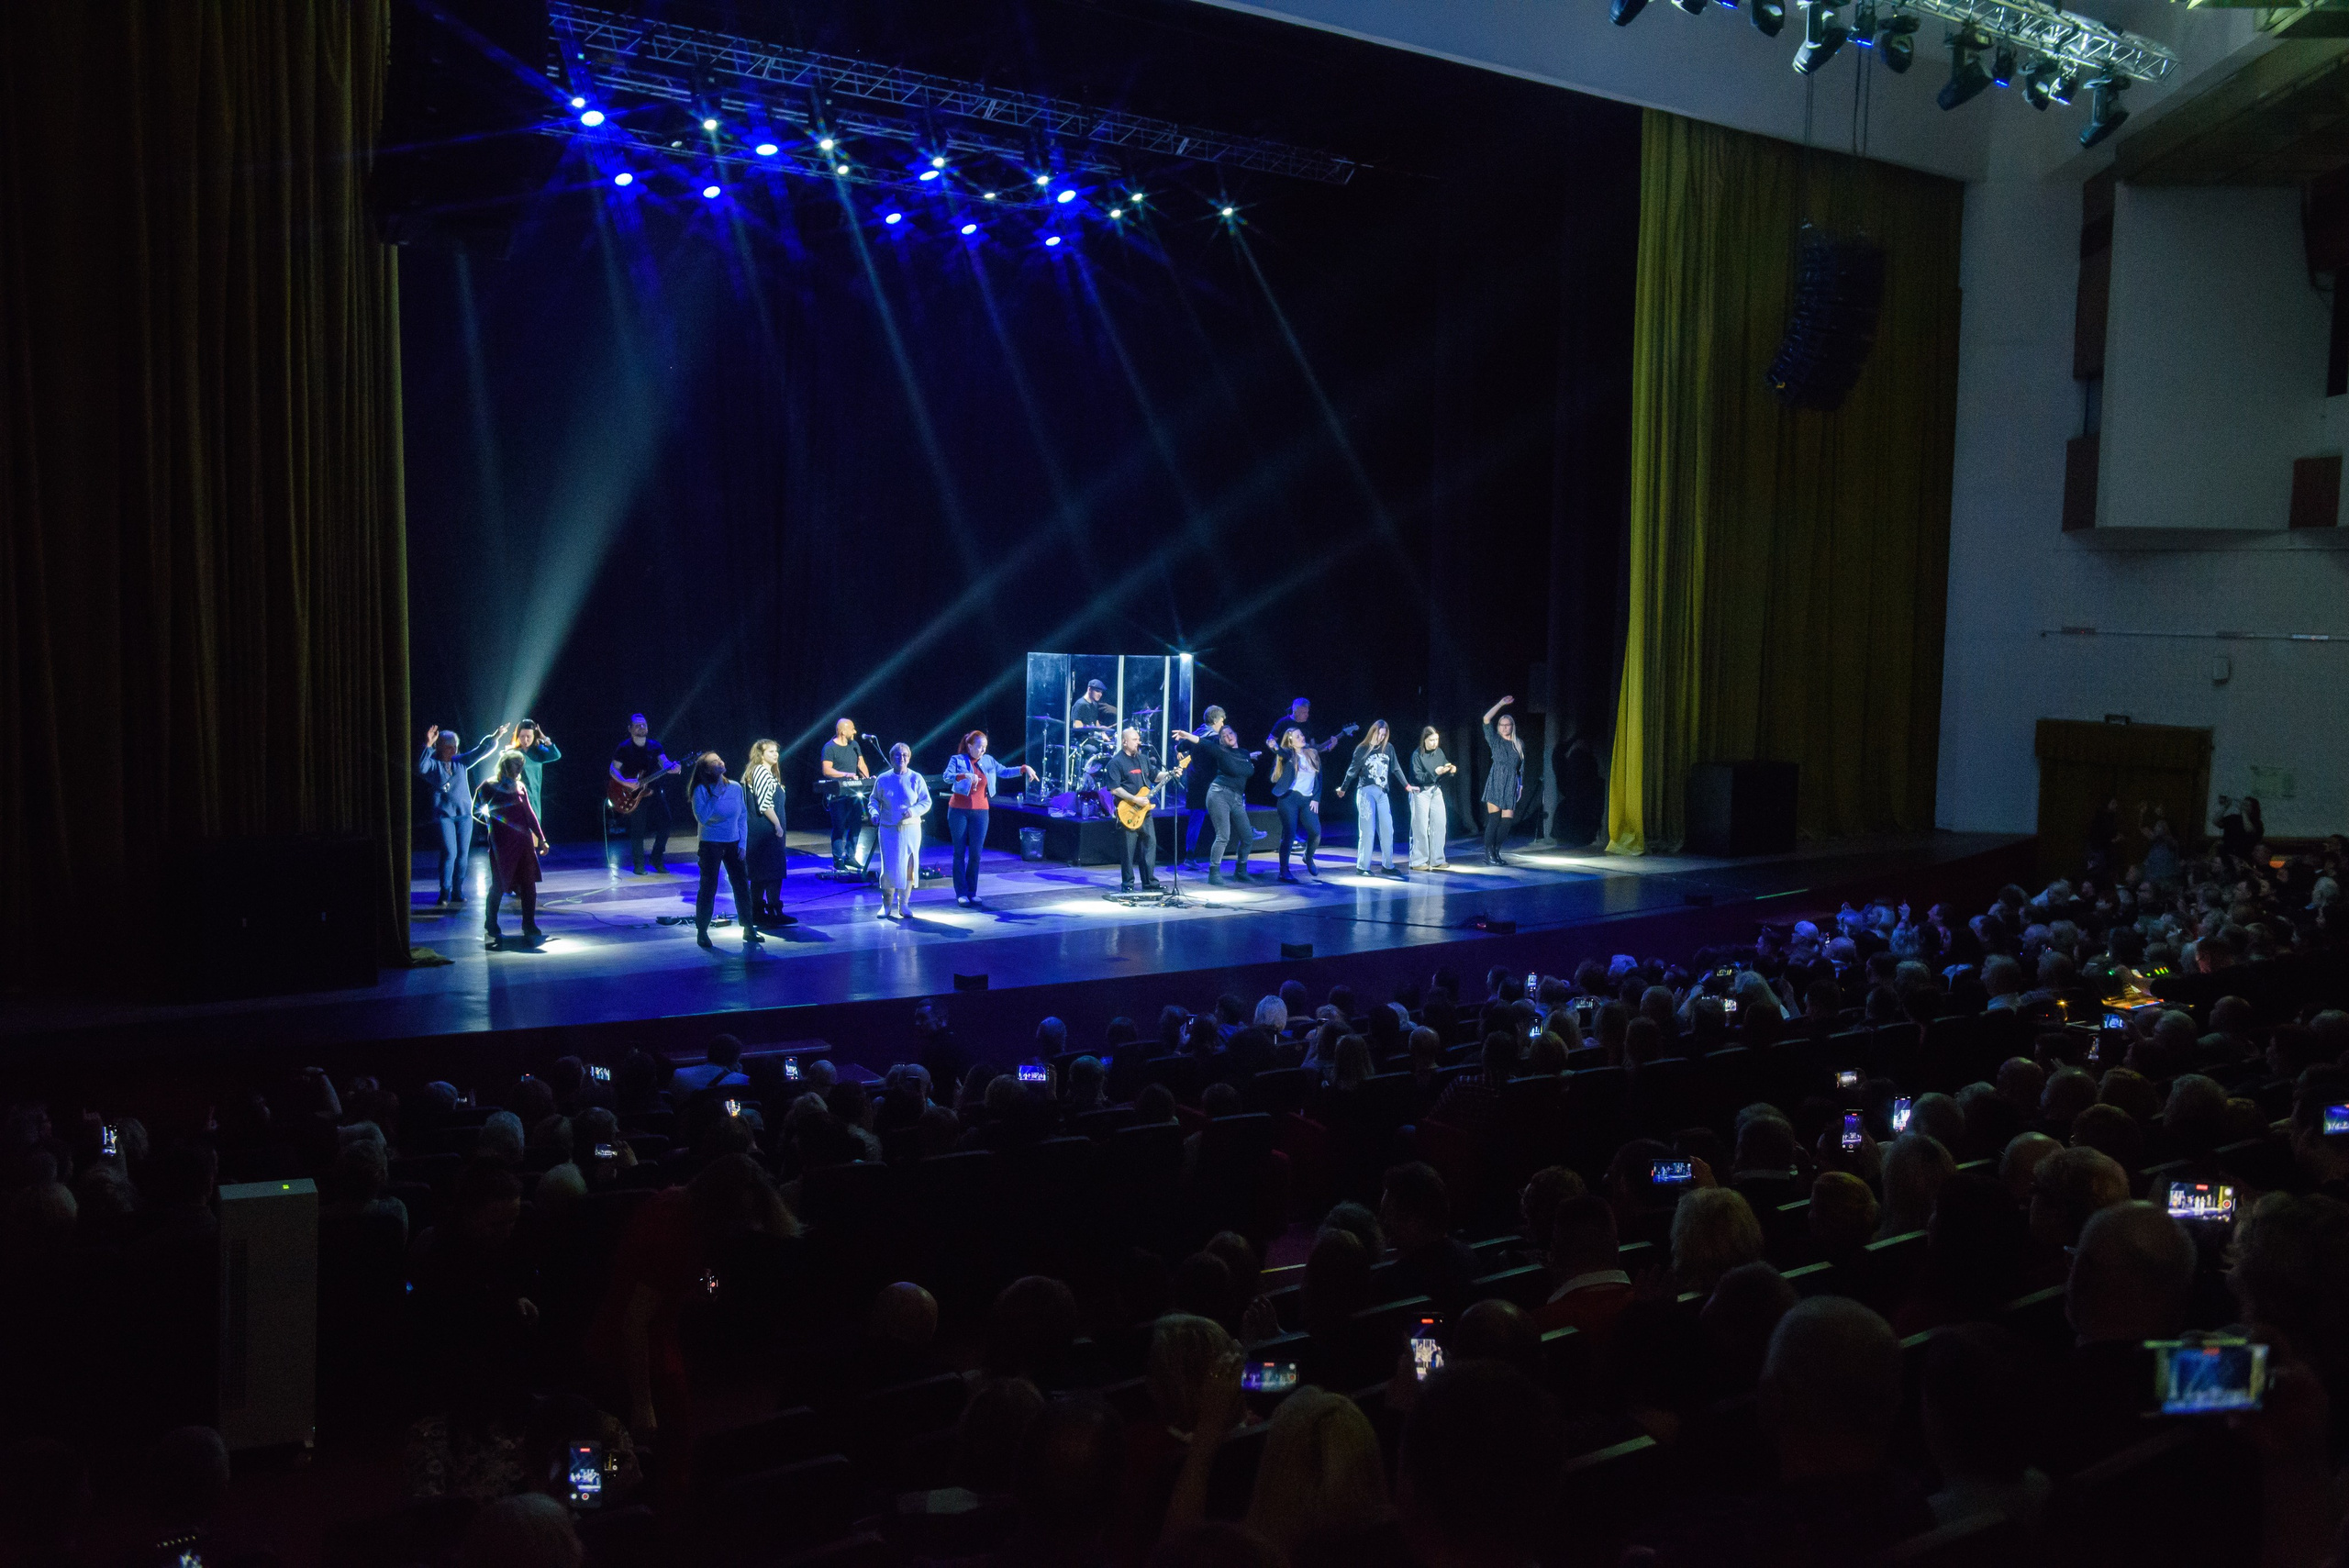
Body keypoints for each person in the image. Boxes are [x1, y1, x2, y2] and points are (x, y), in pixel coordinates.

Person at [941, 730, 1033, 907]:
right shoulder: (957, 760)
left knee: (976, 854)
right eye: (979, 747)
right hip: (958, 811)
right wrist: (963, 775)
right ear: (969, 746)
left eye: (985, 747)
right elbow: (946, 776)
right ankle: (961, 893)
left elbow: (1004, 771)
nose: (983, 750)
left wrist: (1024, 768)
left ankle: (972, 892)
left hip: (981, 812)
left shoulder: (988, 760)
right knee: (959, 852)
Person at [419, 724, 504, 906]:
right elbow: (421, 767)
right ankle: (445, 891)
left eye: (455, 746)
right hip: (445, 815)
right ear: (440, 747)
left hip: (464, 815)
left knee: (463, 854)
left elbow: (480, 751)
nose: (454, 749)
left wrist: (495, 736)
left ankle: (457, 890)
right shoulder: (433, 764)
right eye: (449, 746)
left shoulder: (460, 762)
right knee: (450, 852)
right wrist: (428, 744)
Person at [475, 751, 550, 951]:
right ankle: (491, 921)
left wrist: (541, 839)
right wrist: (492, 824)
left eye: (521, 765)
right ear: (506, 765)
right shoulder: (488, 786)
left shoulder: (520, 787)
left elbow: (529, 814)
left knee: (528, 883)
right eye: (517, 764)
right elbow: (476, 809)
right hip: (502, 844)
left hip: (523, 842)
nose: (519, 769)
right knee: (500, 883)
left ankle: (529, 924)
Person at [687, 752, 761, 951]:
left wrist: (742, 844)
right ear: (706, 770)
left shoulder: (735, 787)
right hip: (711, 844)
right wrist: (716, 795)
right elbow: (702, 817)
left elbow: (742, 816)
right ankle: (702, 931)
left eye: (720, 759)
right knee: (708, 886)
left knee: (741, 885)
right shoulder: (701, 790)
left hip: (733, 842)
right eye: (714, 762)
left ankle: (748, 927)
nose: (720, 762)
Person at [1173, 721, 1261, 886]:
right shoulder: (1221, 751)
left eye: (1230, 733)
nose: (1229, 737)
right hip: (1219, 794)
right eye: (1224, 736)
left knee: (1247, 836)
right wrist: (1187, 736)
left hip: (1236, 798)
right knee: (1223, 836)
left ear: (1236, 735)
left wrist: (1251, 757)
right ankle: (1214, 873)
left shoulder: (1244, 753)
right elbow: (1202, 742)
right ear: (1221, 740)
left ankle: (1241, 870)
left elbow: (1243, 767)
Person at [607, 715, 680, 875]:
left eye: (644, 725)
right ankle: (639, 864)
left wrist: (672, 767)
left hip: (654, 791)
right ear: (630, 729)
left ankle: (656, 858)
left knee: (666, 823)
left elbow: (664, 762)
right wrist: (626, 782)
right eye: (638, 725)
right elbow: (613, 769)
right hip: (634, 794)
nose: (642, 727)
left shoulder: (655, 746)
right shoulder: (624, 748)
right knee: (638, 830)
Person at [1335, 719, 1404, 877]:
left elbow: (1396, 768)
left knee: (1387, 829)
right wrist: (1343, 788)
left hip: (1382, 792)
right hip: (1366, 791)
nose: (1381, 737)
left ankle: (1388, 865)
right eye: (1379, 734)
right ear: (1373, 732)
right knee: (1367, 830)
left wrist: (1407, 786)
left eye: (1384, 735)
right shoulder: (1362, 748)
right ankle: (1363, 866)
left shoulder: (1388, 748)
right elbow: (1352, 771)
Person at [871, 742, 931, 919]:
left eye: (905, 755)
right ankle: (886, 905)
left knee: (909, 867)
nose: (901, 758)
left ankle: (904, 904)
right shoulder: (883, 779)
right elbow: (873, 800)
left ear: (909, 758)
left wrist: (913, 811)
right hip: (889, 829)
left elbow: (926, 802)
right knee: (889, 868)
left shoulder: (916, 778)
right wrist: (874, 813)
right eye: (898, 755)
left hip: (911, 829)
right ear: (891, 758)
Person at [1106, 728, 1167, 894]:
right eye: (1134, 739)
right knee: (1128, 850)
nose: (1138, 742)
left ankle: (1150, 883)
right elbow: (1114, 789)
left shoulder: (1143, 759)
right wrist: (1134, 799)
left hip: (1145, 811)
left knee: (1150, 844)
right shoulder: (1116, 762)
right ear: (1124, 742)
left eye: (1138, 739)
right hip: (1127, 811)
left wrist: (1170, 773)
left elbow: (1155, 776)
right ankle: (1128, 884)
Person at [742, 738, 790, 928]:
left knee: (762, 873)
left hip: (763, 832)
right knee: (770, 872)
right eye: (771, 751)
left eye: (776, 751)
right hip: (765, 832)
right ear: (761, 755)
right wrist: (777, 825)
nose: (775, 754)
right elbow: (764, 804)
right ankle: (771, 911)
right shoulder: (761, 772)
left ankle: (759, 912)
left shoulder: (763, 772)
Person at [1267, 723, 1322, 884]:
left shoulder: (1312, 753)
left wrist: (1316, 798)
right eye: (1298, 737)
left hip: (1308, 800)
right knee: (1289, 834)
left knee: (1316, 832)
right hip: (1289, 799)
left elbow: (1320, 779)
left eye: (1302, 735)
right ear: (1291, 742)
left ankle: (1308, 857)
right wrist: (1275, 746)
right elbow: (1281, 751)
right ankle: (1284, 870)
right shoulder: (1289, 755)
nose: (1302, 738)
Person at [818, 717, 871, 870]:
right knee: (839, 826)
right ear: (842, 731)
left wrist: (867, 779)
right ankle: (838, 859)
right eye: (852, 729)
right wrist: (846, 775)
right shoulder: (829, 747)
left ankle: (850, 856)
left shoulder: (854, 745)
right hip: (838, 794)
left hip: (854, 793)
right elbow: (827, 770)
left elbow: (861, 764)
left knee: (856, 824)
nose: (855, 731)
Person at [1478, 695, 1522, 866]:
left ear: (1512, 726)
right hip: (1496, 781)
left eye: (1507, 725)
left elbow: (1521, 768)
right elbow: (1486, 719)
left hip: (1511, 783)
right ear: (1498, 727)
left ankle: (1496, 851)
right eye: (1502, 725)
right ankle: (1488, 853)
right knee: (1494, 820)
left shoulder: (1518, 744)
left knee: (1507, 821)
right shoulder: (1495, 740)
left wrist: (1520, 786)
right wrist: (1501, 704)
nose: (1504, 727)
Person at [1406, 726, 1456, 872]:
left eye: (1437, 740)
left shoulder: (1438, 752)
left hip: (1435, 790)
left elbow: (1444, 764)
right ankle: (1418, 860)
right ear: (1425, 740)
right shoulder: (1417, 755)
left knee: (1440, 824)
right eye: (1432, 740)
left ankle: (1437, 859)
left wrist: (1450, 769)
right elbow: (1418, 777)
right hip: (1420, 791)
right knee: (1420, 826)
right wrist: (1435, 773)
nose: (1435, 743)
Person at [505, 718, 561, 817]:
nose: (525, 740)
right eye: (522, 736)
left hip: (534, 800)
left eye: (528, 736)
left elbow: (556, 754)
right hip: (518, 799)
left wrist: (544, 738)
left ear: (534, 736)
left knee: (534, 822)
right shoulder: (513, 753)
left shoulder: (539, 751)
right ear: (517, 736)